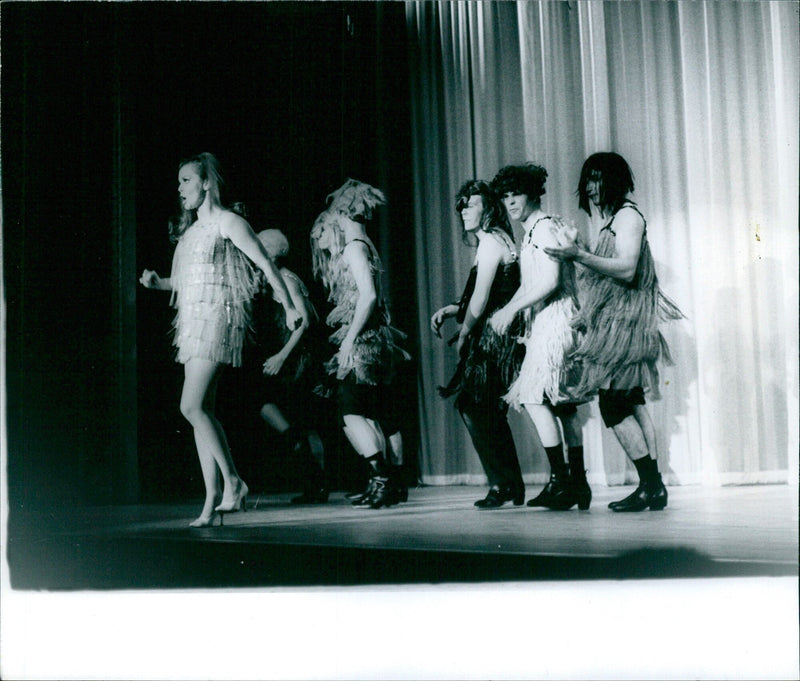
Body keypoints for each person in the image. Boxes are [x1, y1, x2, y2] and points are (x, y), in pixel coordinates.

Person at [140, 152, 301, 527]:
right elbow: (185, 282)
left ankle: (234, 482)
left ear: (206, 182)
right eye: (179, 182)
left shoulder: (229, 222)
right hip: (194, 321)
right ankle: (212, 500)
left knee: (191, 406)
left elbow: (263, 262)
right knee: (202, 412)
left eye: (186, 181)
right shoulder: (192, 232)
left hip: (217, 319)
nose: (180, 189)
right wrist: (157, 283)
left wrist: (290, 304)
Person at [544, 152, 683, 512]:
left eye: (598, 179)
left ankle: (651, 486)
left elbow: (625, 269)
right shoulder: (615, 220)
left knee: (616, 404)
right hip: (617, 323)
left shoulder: (627, 217)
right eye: (587, 179)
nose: (591, 187)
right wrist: (580, 249)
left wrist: (577, 254)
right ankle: (653, 487)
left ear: (615, 181)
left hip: (625, 325)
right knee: (630, 402)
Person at [489, 163, 590, 511]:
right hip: (549, 320)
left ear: (532, 193)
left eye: (516, 193)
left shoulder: (544, 228)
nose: (510, 201)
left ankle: (562, 480)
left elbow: (548, 282)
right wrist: (512, 309)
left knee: (535, 397)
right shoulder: (533, 230)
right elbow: (531, 284)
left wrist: (511, 310)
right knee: (561, 404)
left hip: (556, 319)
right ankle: (577, 483)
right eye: (504, 196)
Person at [310, 179, 410, 509]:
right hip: (373, 338)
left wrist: (348, 342)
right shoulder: (364, 242)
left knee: (351, 411)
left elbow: (368, 296)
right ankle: (388, 482)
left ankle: (381, 477)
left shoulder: (354, 245)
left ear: (342, 211)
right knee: (371, 411)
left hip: (364, 341)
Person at [431, 180, 526, 509]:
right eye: (461, 205)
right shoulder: (499, 239)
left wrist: (466, 332)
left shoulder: (489, 242)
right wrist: (453, 310)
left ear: (488, 208)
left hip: (492, 340)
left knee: (473, 406)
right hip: (502, 336)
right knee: (487, 410)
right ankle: (510, 484)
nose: (463, 211)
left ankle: (503, 485)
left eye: (470, 204)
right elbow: (489, 293)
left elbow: (483, 298)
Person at [251, 229, 328, 504]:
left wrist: (282, 356)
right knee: (297, 421)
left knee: (298, 421)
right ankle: (315, 483)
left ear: (271, 251)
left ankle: (316, 484)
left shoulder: (285, 278)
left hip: (297, 360)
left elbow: (304, 320)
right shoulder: (277, 279)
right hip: (293, 359)